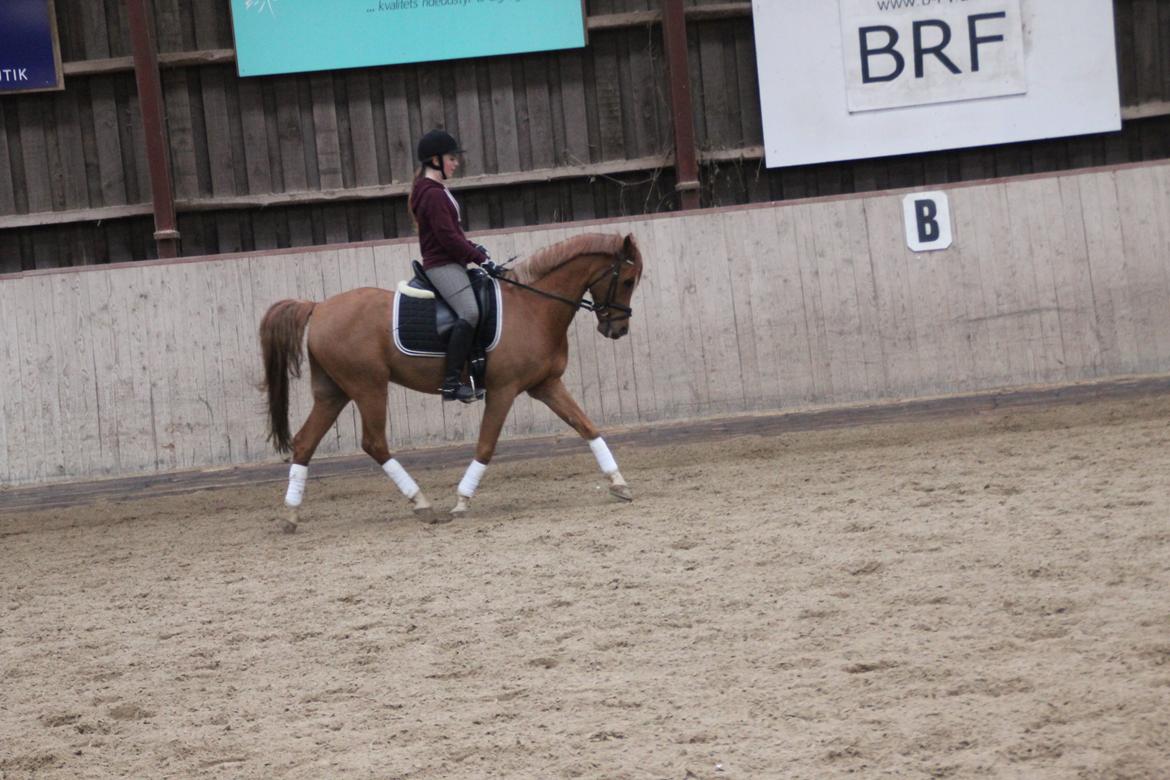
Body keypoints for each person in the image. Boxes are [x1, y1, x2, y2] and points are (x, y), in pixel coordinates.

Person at [409, 129, 489, 403]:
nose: (456, 163)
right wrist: (481, 258)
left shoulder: (435, 191)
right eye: (451, 158)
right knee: (469, 311)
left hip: (451, 261)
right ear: (434, 160)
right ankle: (451, 383)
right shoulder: (431, 194)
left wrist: (474, 249)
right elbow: (447, 238)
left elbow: (453, 234)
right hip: (442, 265)